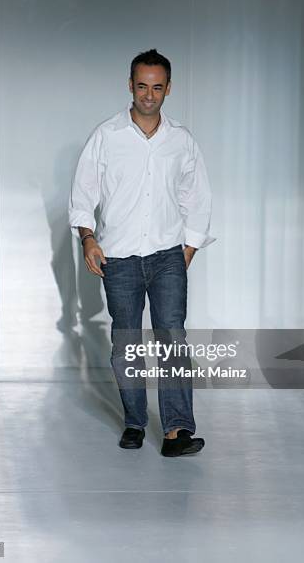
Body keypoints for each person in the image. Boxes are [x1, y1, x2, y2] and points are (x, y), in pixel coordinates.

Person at [69, 49, 215, 456]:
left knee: (172, 339)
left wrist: (188, 248)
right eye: (141, 86)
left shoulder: (181, 140)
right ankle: (134, 421)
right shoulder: (107, 136)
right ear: (130, 85)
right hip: (119, 258)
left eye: (157, 87)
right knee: (126, 342)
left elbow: (197, 198)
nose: (148, 95)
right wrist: (88, 238)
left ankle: (176, 432)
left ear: (168, 88)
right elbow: (83, 193)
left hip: (168, 255)